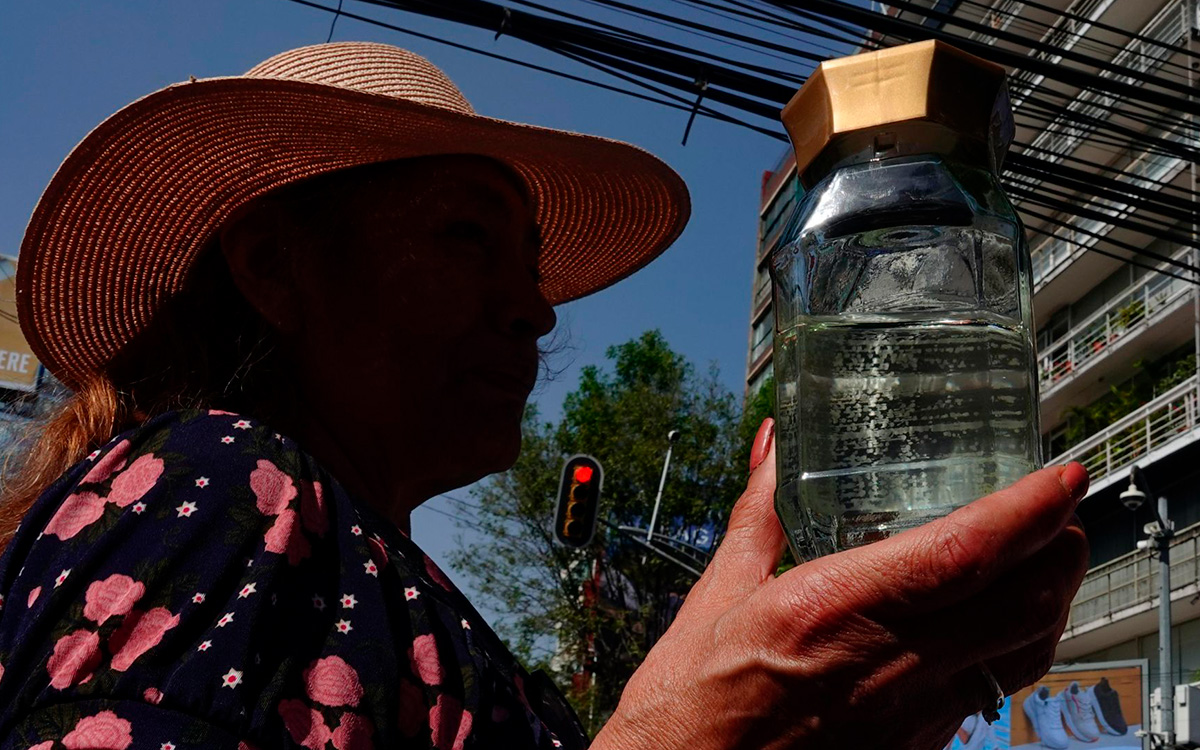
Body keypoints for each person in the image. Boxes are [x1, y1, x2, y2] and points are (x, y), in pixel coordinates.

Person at [0, 42, 1088, 750]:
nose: (535, 311)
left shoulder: (367, 576)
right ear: (277, 267)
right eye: (465, 236)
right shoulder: (214, 492)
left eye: (528, 262)